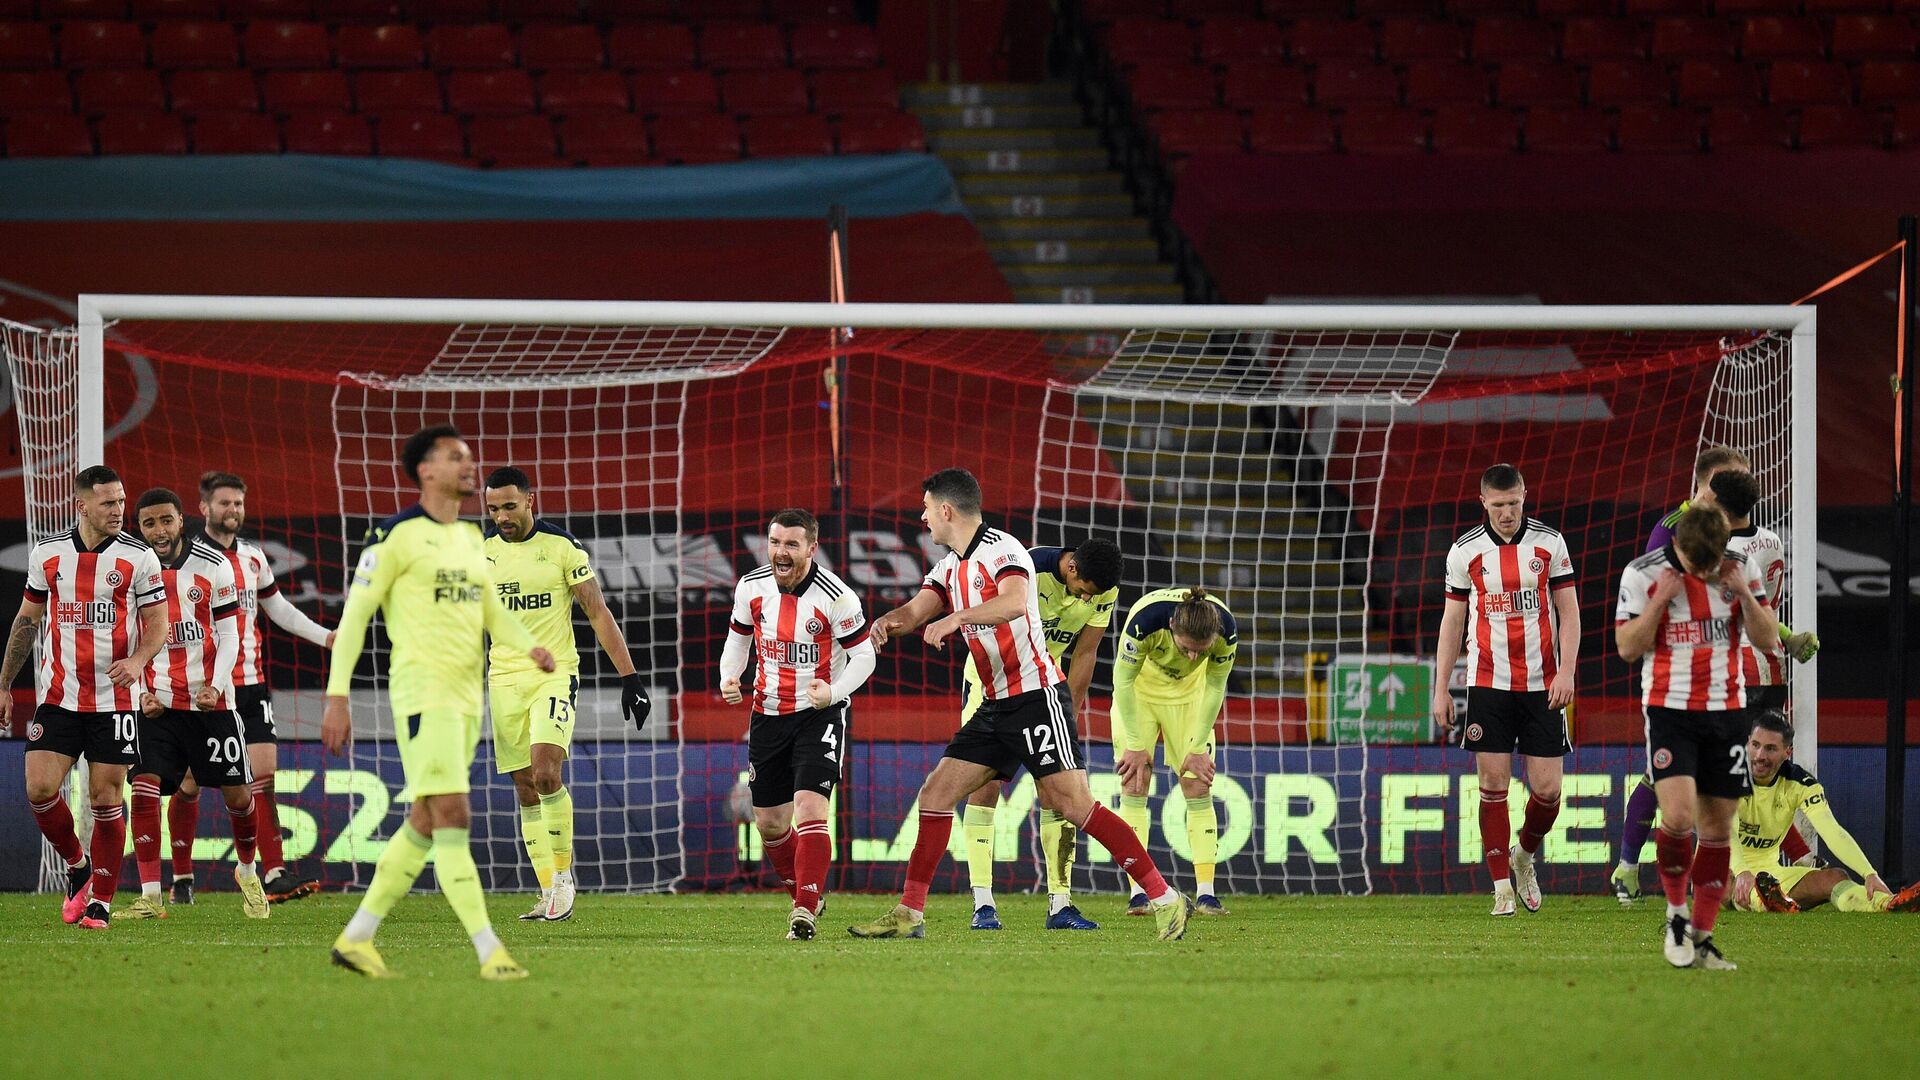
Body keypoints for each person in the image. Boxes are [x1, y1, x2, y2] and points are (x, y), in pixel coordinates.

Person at [847, 468, 1191, 942]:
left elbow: (1011, 603)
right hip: (995, 705)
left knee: (1074, 804)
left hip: (1035, 697)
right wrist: (888, 622)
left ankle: (1165, 899)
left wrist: (957, 620)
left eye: (926, 508)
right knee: (936, 796)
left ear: (947, 510)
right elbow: (916, 610)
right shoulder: (949, 568)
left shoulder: (1004, 551)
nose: (922, 516)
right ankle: (909, 913)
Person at [322, 425, 553, 980]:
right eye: (456, 458)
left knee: (425, 820)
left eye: (469, 456)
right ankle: (490, 952)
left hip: (465, 697)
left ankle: (356, 940)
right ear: (426, 471)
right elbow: (355, 620)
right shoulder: (396, 537)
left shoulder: (471, 540)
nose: (469, 466)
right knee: (453, 814)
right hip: (424, 694)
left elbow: (491, 610)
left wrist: (530, 646)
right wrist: (336, 696)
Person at [1, 465, 168, 930]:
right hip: (59, 695)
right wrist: (2, 683)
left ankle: (101, 901)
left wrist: (137, 661)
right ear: (82, 505)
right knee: (38, 788)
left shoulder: (139, 558)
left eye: (120, 501)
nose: (118, 510)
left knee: (105, 796)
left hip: (114, 701)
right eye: (108, 503)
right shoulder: (49, 553)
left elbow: (158, 626)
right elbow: (26, 621)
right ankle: (77, 865)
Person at [483, 467, 650, 923]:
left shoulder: (562, 548)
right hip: (503, 680)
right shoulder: (480, 555)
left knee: (545, 772)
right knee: (523, 785)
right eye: (493, 508)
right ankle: (547, 892)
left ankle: (563, 878)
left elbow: (597, 611)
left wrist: (630, 677)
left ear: (531, 501)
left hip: (554, 675)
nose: (502, 517)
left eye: (510, 506)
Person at [1615, 506, 1779, 970]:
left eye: (1710, 565)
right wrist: (1660, 602)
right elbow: (1627, 648)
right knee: (1679, 815)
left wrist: (1746, 593)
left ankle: (1703, 938)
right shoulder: (1643, 573)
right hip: (1669, 710)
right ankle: (1676, 916)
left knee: (1716, 828)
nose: (1704, 573)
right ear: (1679, 548)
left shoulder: (1737, 567)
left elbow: (1768, 640)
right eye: (1696, 565)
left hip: (1726, 713)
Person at [167, 471, 334, 907]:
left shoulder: (254, 558)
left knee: (263, 777)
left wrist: (326, 637)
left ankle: (273, 873)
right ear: (203, 508)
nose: (233, 510)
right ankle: (181, 877)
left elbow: (279, 611)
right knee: (188, 785)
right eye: (224, 503)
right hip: (203, 687)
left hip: (251, 684)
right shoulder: (187, 561)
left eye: (238, 503)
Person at [1429, 464, 1580, 917]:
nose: (1508, 513)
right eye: (1498, 506)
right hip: (1487, 682)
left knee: (1549, 792)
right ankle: (1501, 889)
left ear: (1524, 495)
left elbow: (1569, 612)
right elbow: (1452, 621)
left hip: (1543, 685)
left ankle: (1525, 857)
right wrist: (1441, 689)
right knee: (1492, 786)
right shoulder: (1464, 551)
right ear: (1484, 504)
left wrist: (1567, 672)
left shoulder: (1549, 543)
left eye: (1514, 503)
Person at [719, 508, 874, 940]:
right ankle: (807, 896)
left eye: (791, 544)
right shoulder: (751, 587)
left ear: (811, 548)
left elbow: (865, 656)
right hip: (767, 715)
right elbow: (738, 639)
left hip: (818, 715)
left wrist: (835, 692)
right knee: (769, 822)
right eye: (774, 542)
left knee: (810, 809)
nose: (780, 552)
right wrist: (728, 677)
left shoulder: (837, 597)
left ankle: (803, 911)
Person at [122, 488, 268, 921]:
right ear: (140, 527)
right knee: (144, 788)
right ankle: (151, 895)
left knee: (239, 797)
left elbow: (228, 635)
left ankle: (247, 871)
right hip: (156, 703)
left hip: (210, 703)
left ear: (181, 520)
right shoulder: (129, 569)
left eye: (166, 520)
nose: (159, 531)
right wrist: (138, 692)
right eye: (149, 523)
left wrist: (217, 684)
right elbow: (125, 639)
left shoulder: (213, 566)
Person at [961, 538, 1120, 931]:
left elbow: (1085, 653)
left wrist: (1072, 712)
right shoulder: (1024, 569)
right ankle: (983, 904)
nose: (1087, 598)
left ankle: (1060, 904)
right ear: (1071, 569)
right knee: (985, 785)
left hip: (1046, 688)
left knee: (1059, 791)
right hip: (993, 682)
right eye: (1084, 590)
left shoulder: (1103, 590)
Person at [1613, 446, 1750, 902]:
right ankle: (1631, 866)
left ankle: (1697, 903)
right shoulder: (1670, 531)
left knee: (1711, 806)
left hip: (1728, 678)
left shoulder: (1737, 533)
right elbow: (1657, 595)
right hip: (1673, 682)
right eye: (1729, 481)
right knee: (1668, 788)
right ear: (1707, 485)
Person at [1730, 712, 1920, 914]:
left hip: (1769, 875)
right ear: (1748, 743)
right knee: (1728, 881)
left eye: (1770, 749)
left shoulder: (1801, 784)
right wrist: (1742, 871)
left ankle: (1887, 904)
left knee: (1835, 877)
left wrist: (1869, 873)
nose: (1760, 756)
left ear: (1788, 752)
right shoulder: (1727, 775)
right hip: (1723, 869)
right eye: (1756, 745)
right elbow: (1724, 831)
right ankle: (1768, 901)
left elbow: (1831, 831)